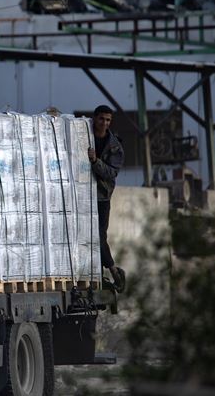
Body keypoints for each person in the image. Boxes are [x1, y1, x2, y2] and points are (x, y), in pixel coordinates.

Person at [88, 105, 127, 292]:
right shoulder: (84, 135)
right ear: (94, 118)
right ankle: (106, 272)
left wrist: (96, 162)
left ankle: (113, 272)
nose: (104, 123)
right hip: (82, 197)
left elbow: (111, 173)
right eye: (101, 119)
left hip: (101, 197)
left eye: (108, 120)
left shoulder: (115, 146)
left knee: (99, 236)